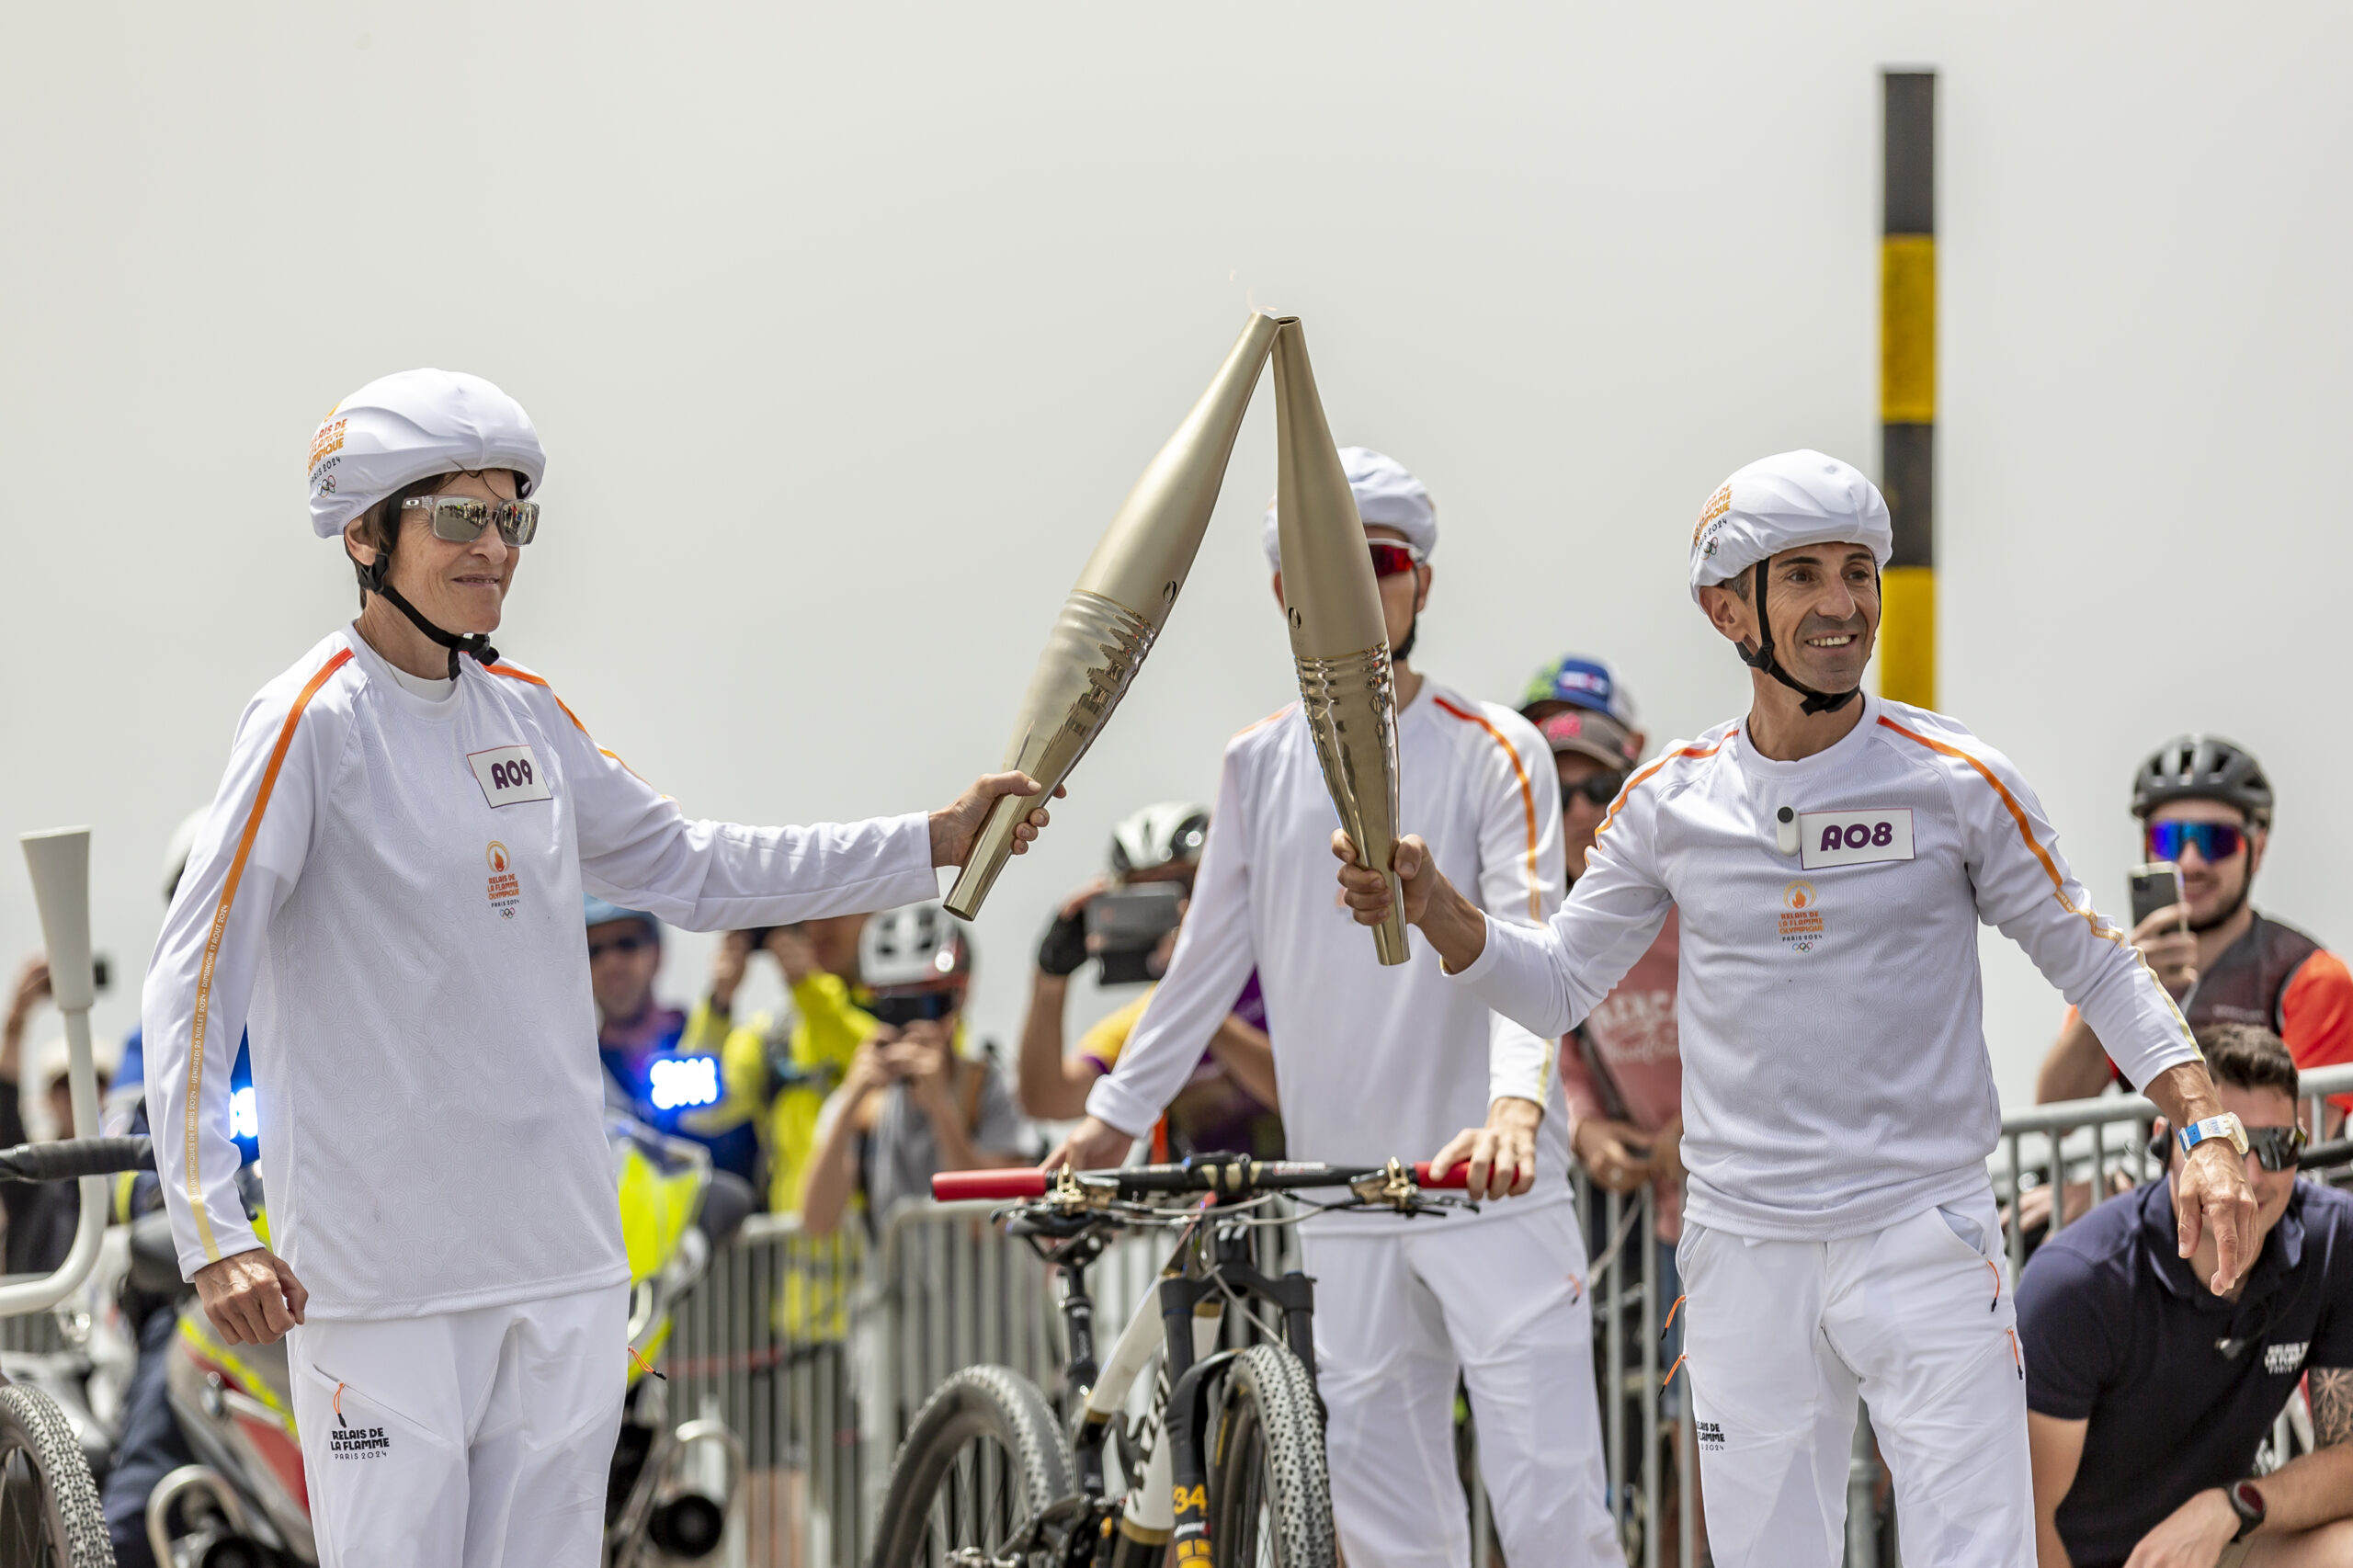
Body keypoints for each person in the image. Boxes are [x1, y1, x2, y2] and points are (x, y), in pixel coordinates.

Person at [139, 369, 1053, 1568]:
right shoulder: (310, 721)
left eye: (511, 515)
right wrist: (215, 1230)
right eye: (457, 516)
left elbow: (692, 865)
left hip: (562, 1271)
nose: (494, 545)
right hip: (384, 1285)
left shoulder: (528, 715)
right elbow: (193, 974)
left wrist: (925, 844)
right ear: (365, 534)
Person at [1333, 449, 2259, 1567]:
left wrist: (2201, 1121)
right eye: (1805, 574)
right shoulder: (1669, 799)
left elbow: (2099, 964)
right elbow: (1560, 980)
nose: (1842, 604)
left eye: (1859, 571)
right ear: (1730, 609)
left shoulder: (1959, 779)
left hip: (1923, 1234)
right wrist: (1435, 906)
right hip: (1743, 1255)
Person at [1054, 449, 1621, 1567]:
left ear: (1422, 582)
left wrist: (1515, 1108)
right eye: (1334, 572)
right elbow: (1201, 966)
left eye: (1385, 565)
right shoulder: (1254, 764)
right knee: (1388, 1533)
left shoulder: (1495, 747)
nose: (1363, 595)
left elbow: (1529, 943)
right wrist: (1112, 1119)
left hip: (1486, 1193)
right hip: (1344, 1198)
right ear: (1284, 593)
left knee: (1557, 1522)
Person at [2020, 1024, 2353, 1567]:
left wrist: (2234, 1505)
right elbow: (2030, 1524)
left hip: (2217, 1544)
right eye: (2222, 1145)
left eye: (2275, 1147)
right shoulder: (2077, 1282)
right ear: (2163, 1138)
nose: (2246, 1178)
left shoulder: (2334, 1239)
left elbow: (2350, 1462)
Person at [1522, 653, 1706, 1560]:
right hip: (1633, 1219)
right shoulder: (1542, 916)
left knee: (1702, 1428)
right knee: (1599, 1418)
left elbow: (1763, 1007)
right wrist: (1588, 1129)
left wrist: (1696, 1126)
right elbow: (1556, 1045)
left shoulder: (1686, 885)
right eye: (1555, 793)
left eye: (1599, 785)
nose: (1580, 812)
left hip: (1728, 1196)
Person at [2037, 736, 2353, 1129]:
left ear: (2258, 847)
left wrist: (2122, 1185)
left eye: (2214, 840)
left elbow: (2288, 1154)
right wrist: (2113, 987)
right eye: (2168, 838)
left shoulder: (2313, 978)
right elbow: (2054, 1117)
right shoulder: (2122, 963)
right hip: (2153, 1187)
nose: (2189, 862)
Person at [1016, 801, 1280, 1158]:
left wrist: (1195, 997)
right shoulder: (1148, 1015)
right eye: (1144, 897)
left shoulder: (1276, 979)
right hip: (1199, 1202)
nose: (1173, 911)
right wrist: (1050, 978)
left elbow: (1298, 1095)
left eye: (1181, 887)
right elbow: (1048, 1099)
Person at [799, 901, 1029, 1237]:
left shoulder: (994, 1086)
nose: (912, 1026)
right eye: (892, 1006)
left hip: (989, 1289)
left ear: (960, 997)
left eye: (929, 1005)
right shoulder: (866, 1101)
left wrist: (940, 1106)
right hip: (900, 1289)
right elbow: (816, 1222)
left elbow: (990, 1222)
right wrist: (850, 1101)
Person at [687, 914, 877, 1213]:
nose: (822, 926)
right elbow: (699, 1115)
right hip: (792, 1251)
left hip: (876, 1249)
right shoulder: (769, 1037)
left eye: (837, 908)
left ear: (872, 912)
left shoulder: (903, 1011)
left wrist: (808, 985)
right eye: (808, 914)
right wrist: (719, 1002)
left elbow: (873, 1052)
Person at [586, 896, 767, 1191]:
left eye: (626, 944)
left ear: (657, 953)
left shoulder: (714, 1037)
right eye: (594, 951)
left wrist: (721, 999)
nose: (611, 962)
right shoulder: (580, 1074)